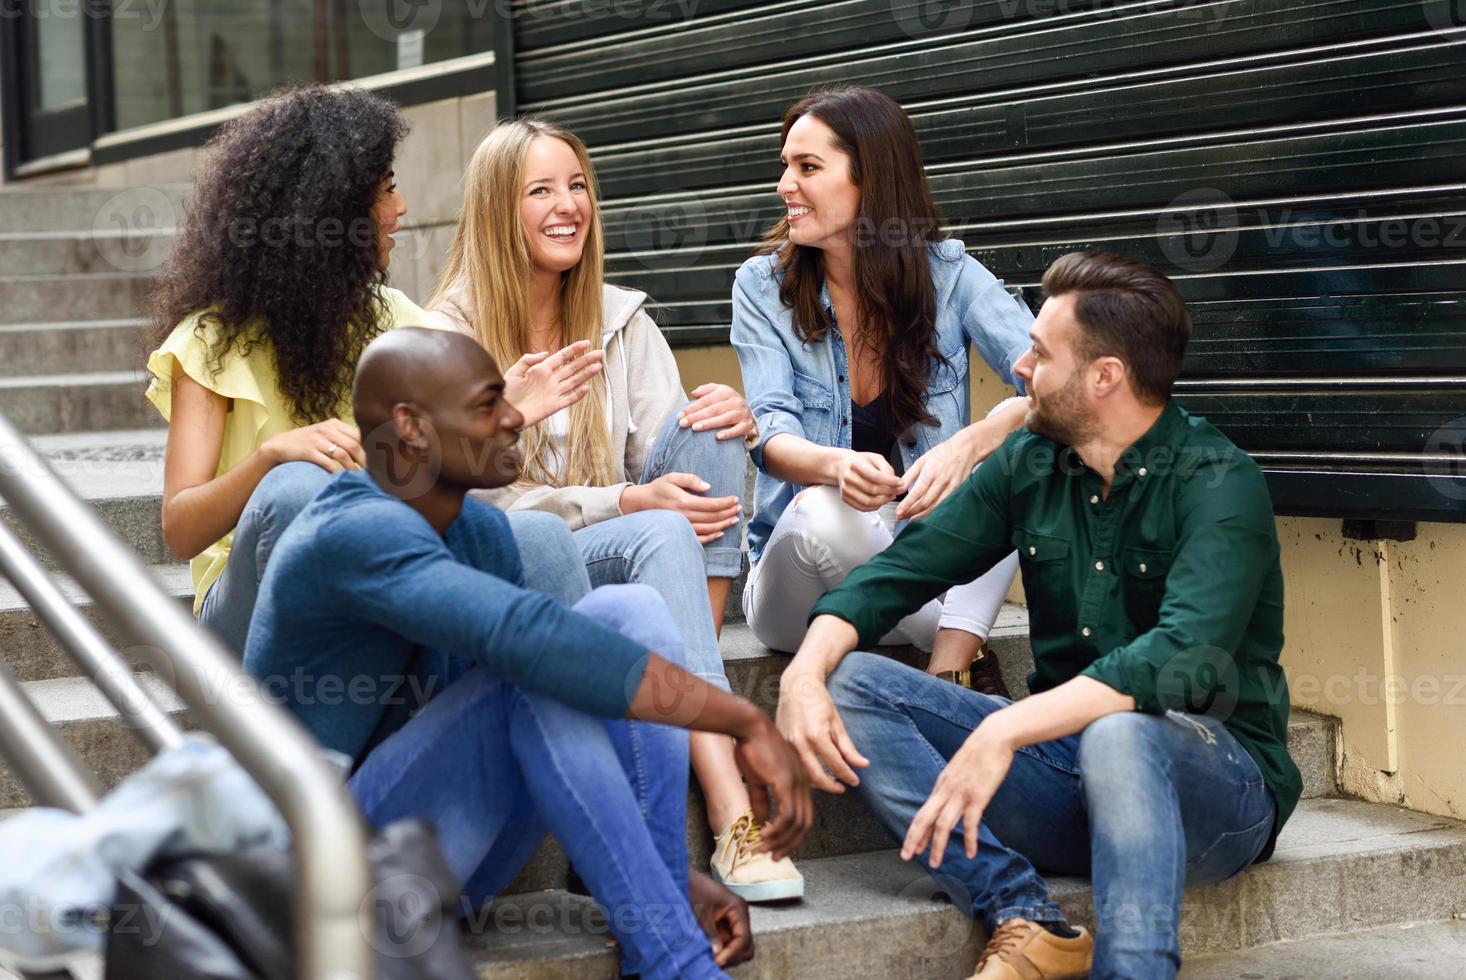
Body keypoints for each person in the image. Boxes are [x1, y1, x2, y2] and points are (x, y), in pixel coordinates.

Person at [775, 252, 1302, 980]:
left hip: (1216, 792)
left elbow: (1179, 655)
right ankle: (1021, 913)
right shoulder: (1032, 461)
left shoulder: (1217, 481)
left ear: (1105, 376)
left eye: (1039, 353)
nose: (1018, 368)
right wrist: (804, 671)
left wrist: (1006, 725)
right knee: (854, 682)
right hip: (1068, 781)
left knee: (1120, 732)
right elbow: (901, 571)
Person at [244, 328, 815, 978]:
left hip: (434, 855)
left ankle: (653, 916)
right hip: (319, 879)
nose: (515, 416)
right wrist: (743, 719)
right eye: (489, 404)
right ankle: (678, 963)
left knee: (631, 612)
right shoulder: (354, 531)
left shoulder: (478, 530)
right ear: (411, 427)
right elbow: (530, 643)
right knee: (533, 674)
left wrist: (669, 879)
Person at [427, 119, 803, 900]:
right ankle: (726, 791)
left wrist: (733, 418)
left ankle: (710, 789)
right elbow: (477, 501)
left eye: (577, 186)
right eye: (540, 191)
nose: (568, 206)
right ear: (500, 208)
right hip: (522, 568)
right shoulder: (446, 336)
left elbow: (668, 463)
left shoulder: (621, 320)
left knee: (709, 425)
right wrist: (622, 499)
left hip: (630, 558)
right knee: (650, 523)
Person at [731, 85, 1033, 697]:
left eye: (807, 167)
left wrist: (973, 443)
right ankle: (955, 649)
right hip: (798, 587)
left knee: (1026, 455)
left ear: (870, 179)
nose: (785, 184)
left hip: (921, 562)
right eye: (784, 165)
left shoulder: (948, 273)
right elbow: (770, 433)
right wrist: (836, 465)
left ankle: (949, 663)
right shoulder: (762, 286)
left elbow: (1064, 378)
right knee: (825, 507)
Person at [146, 85, 453, 655]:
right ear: (328, 211)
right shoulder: (212, 341)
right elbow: (181, 529)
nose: (402, 207)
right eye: (386, 189)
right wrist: (270, 458)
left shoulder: (398, 321)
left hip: (360, 583)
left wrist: (510, 405)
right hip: (242, 610)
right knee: (293, 491)